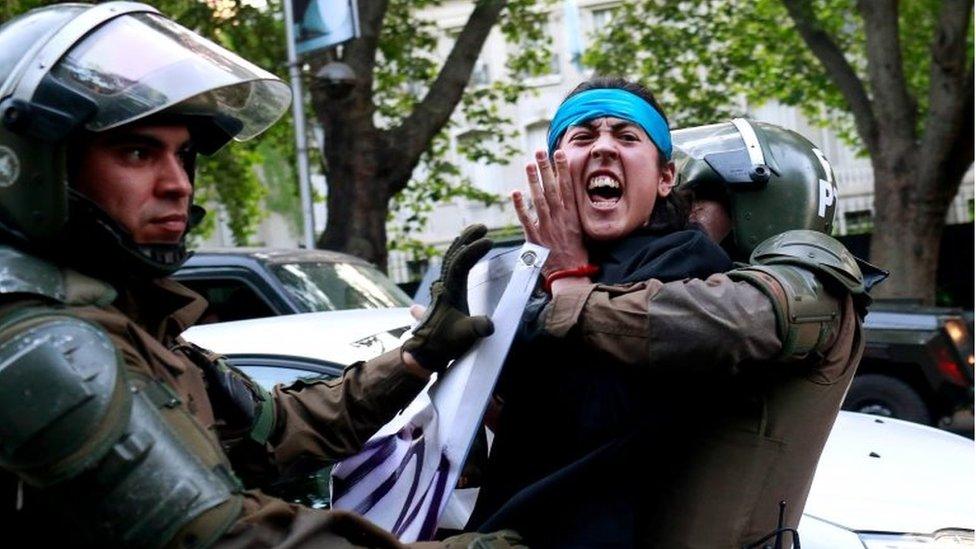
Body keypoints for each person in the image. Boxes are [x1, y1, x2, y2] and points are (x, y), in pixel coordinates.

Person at [0, 4, 511, 548]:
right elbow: (227, 539)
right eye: (137, 152)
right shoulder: (42, 341)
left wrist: (415, 358)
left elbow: (275, 429)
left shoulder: (131, 317)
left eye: (184, 156)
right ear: (34, 165)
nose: (179, 184)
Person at [467, 77, 875, 548]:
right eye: (581, 136)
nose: (603, 148)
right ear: (554, 171)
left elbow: (611, 397)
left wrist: (564, 289)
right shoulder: (520, 270)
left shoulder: (685, 263)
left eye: (626, 136)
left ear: (666, 180)